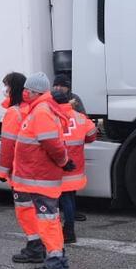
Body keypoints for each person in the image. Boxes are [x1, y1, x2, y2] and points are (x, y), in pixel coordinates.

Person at [10, 71, 76, 269]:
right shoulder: (41, 109)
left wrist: (64, 161)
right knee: (50, 222)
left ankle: (55, 267)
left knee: (48, 223)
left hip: (41, 178)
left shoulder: (41, 111)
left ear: (35, 91)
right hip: (39, 177)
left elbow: (51, 144)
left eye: (28, 89)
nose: (25, 92)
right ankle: (54, 262)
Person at [0, 72, 40, 255]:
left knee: (24, 209)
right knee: (41, 210)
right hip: (39, 168)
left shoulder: (13, 113)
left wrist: (3, 171)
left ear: (13, 88)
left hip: (22, 170)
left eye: (6, 85)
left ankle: (34, 245)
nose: (4, 89)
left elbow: (8, 144)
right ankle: (44, 243)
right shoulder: (34, 110)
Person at [57, 87, 97, 244]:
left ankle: (68, 231)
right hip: (76, 167)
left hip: (60, 166)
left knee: (62, 200)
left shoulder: (53, 117)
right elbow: (92, 135)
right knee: (70, 198)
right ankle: (69, 228)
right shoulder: (80, 117)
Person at [52, 74, 88, 221]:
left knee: (70, 185)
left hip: (72, 149)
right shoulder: (50, 99)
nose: (59, 88)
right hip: (60, 148)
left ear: (68, 87)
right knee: (63, 186)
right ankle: (66, 213)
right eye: (57, 85)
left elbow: (84, 119)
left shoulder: (75, 99)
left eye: (62, 85)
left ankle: (70, 212)